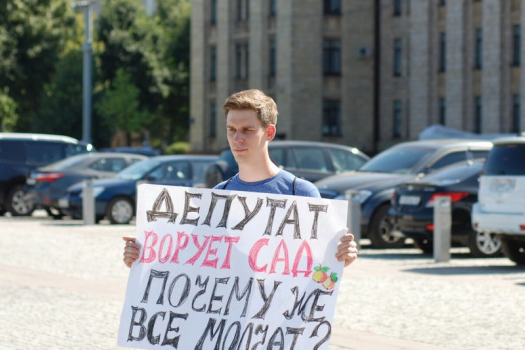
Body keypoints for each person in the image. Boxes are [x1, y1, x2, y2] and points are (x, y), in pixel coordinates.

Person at [122, 89, 358, 268]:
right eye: (231, 130)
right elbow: (189, 261)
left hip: (279, 327)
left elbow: (320, 269)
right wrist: (143, 255)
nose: (237, 139)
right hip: (228, 326)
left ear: (270, 132)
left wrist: (341, 256)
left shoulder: (302, 194)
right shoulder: (218, 196)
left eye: (247, 130)